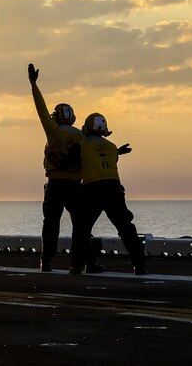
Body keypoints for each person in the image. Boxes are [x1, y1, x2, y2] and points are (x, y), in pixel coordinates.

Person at [28, 63, 96, 272]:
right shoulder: (81, 135)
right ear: (73, 118)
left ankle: (46, 261)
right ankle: (80, 263)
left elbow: (40, 109)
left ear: (56, 116)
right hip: (76, 186)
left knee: (51, 224)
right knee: (81, 225)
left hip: (55, 185)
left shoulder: (53, 130)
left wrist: (33, 85)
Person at [69, 113, 148, 275]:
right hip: (114, 188)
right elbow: (103, 157)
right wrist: (118, 152)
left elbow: (69, 163)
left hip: (91, 188)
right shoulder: (112, 147)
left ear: (87, 128)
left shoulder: (80, 145)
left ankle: (77, 266)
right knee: (126, 227)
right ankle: (139, 265)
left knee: (81, 229)